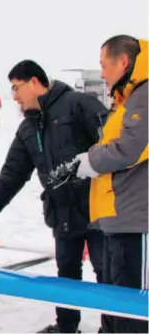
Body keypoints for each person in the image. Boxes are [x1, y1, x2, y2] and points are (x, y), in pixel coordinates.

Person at [0, 60, 109, 333]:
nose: (14, 96)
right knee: (67, 273)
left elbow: (114, 144)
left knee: (106, 272)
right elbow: (12, 175)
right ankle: (66, 327)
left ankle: (113, 327)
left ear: (34, 82)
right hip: (61, 211)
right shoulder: (28, 128)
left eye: (16, 88)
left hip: (97, 209)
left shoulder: (78, 105)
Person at [75, 36, 148, 333]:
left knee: (132, 310)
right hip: (118, 220)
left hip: (137, 220)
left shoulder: (145, 96)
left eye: (104, 66)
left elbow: (127, 149)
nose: (102, 74)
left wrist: (90, 161)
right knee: (114, 304)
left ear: (124, 62)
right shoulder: (128, 99)